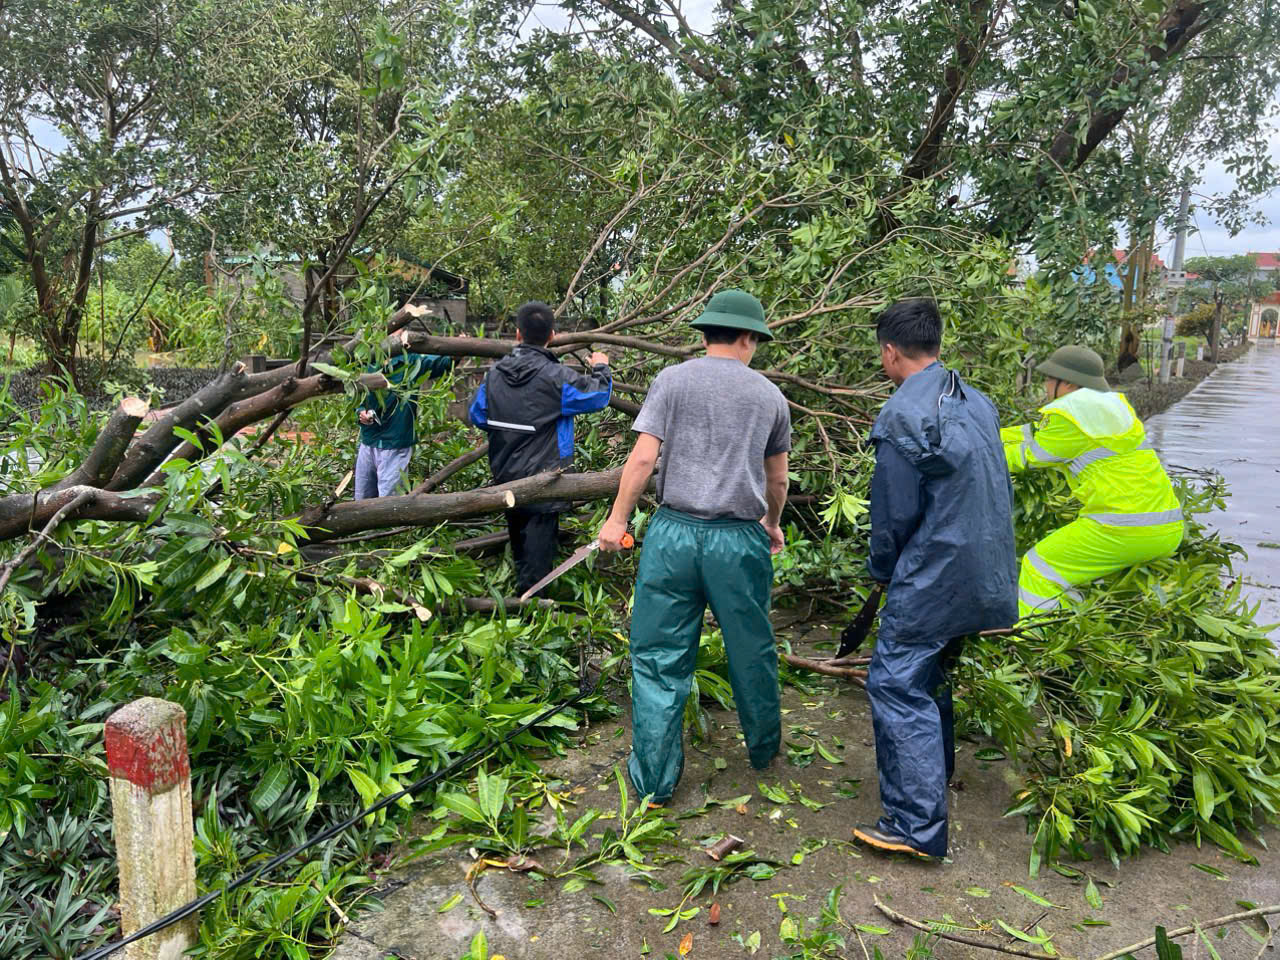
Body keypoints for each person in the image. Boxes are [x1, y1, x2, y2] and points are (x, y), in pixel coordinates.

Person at [597, 289, 791, 807]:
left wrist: (617, 521)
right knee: (751, 646)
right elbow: (777, 481)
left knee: (659, 655)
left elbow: (641, 461)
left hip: (672, 534)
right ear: (749, 338)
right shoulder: (769, 396)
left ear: (705, 334)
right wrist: (771, 525)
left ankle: (655, 783)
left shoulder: (671, 381)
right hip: (738, 540)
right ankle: (764, 752)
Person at [853, 298, 1017, 861]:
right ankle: (937, 777)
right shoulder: (979, 403)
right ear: (938, 345)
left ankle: (915, 825)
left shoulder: (903, 414)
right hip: (988, 572)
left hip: (935, 574)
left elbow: (893, 514)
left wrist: (882, 574)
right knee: (933, 672)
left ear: (890, 352)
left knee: (895, 682)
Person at [1001, 345, 1184, 618]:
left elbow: (1027, 456)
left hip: (1121, 527)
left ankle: (1037, 641)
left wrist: (965, 449)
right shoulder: (1105, 406)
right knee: (1073, 572)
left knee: (1039, 565)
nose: (1046, 383)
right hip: (1165, 526)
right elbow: (1035, 433)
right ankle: (1068, 619)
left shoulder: (1070, 413)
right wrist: (986, 431)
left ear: (1069, 382)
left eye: (1051, 378)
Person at [468, 301, 612, 594]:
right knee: (537, 558)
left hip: (505, 473)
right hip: (544, 480)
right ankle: (532, 609)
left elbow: (478, 415)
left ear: (518, 334)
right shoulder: (557, 378)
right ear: (553, 336)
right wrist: (601, 367)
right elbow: (598, 397)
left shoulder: (494, 374)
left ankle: (524, 605)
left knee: (520, 544)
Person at [355, 328, 455, 499]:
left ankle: (389, 526)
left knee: (388, 502)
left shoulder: (412, 362)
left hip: (395, 443)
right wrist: (360, 412)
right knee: (361, 497)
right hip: (369, 440)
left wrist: (456, 348)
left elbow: (442, 363)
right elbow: (357, 395)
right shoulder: (369, 362)